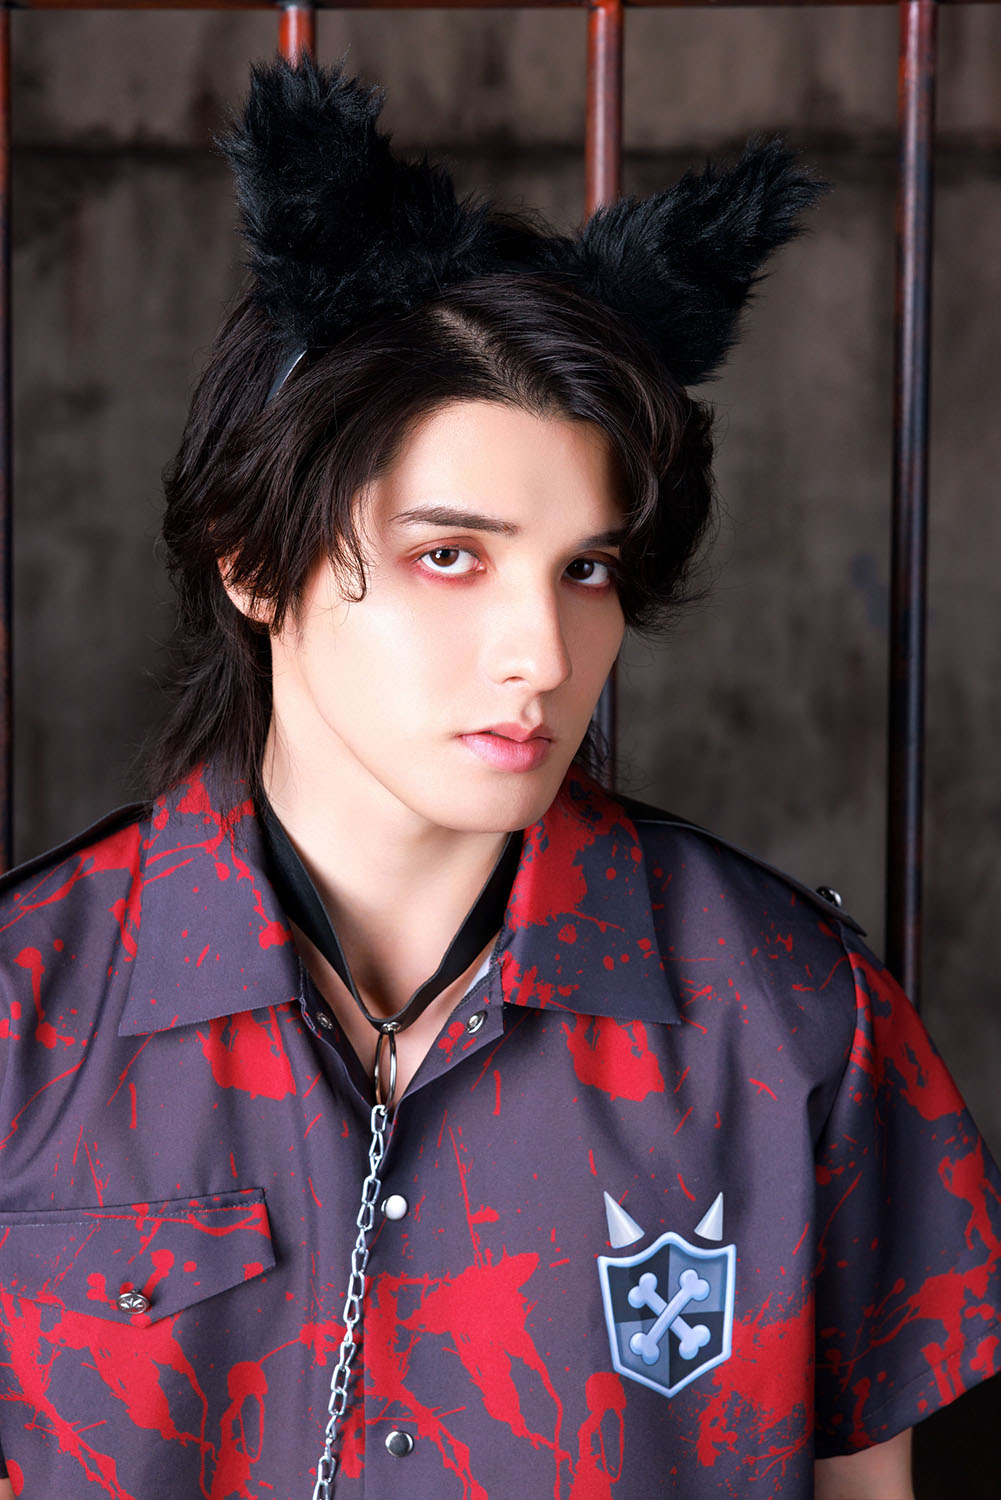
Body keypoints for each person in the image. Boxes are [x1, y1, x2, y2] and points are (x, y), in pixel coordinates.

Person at [0, 55, 997, 1500]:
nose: (540, 653)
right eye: (449, 556)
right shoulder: (26, 1014)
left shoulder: (790, 1018)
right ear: (254, 561)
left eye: (584, 569)